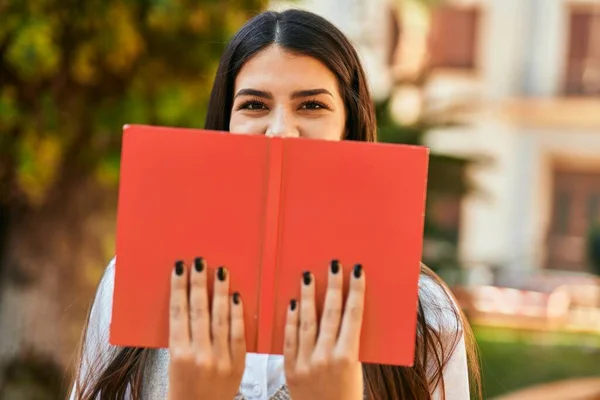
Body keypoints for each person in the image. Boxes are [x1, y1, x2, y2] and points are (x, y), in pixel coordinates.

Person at [70, 8, 482, 400]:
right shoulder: (131, 282)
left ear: (349, 127)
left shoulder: (425, 311)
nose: (281, 131)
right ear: (225, 126)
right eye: (254, 105)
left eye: (312, 105)